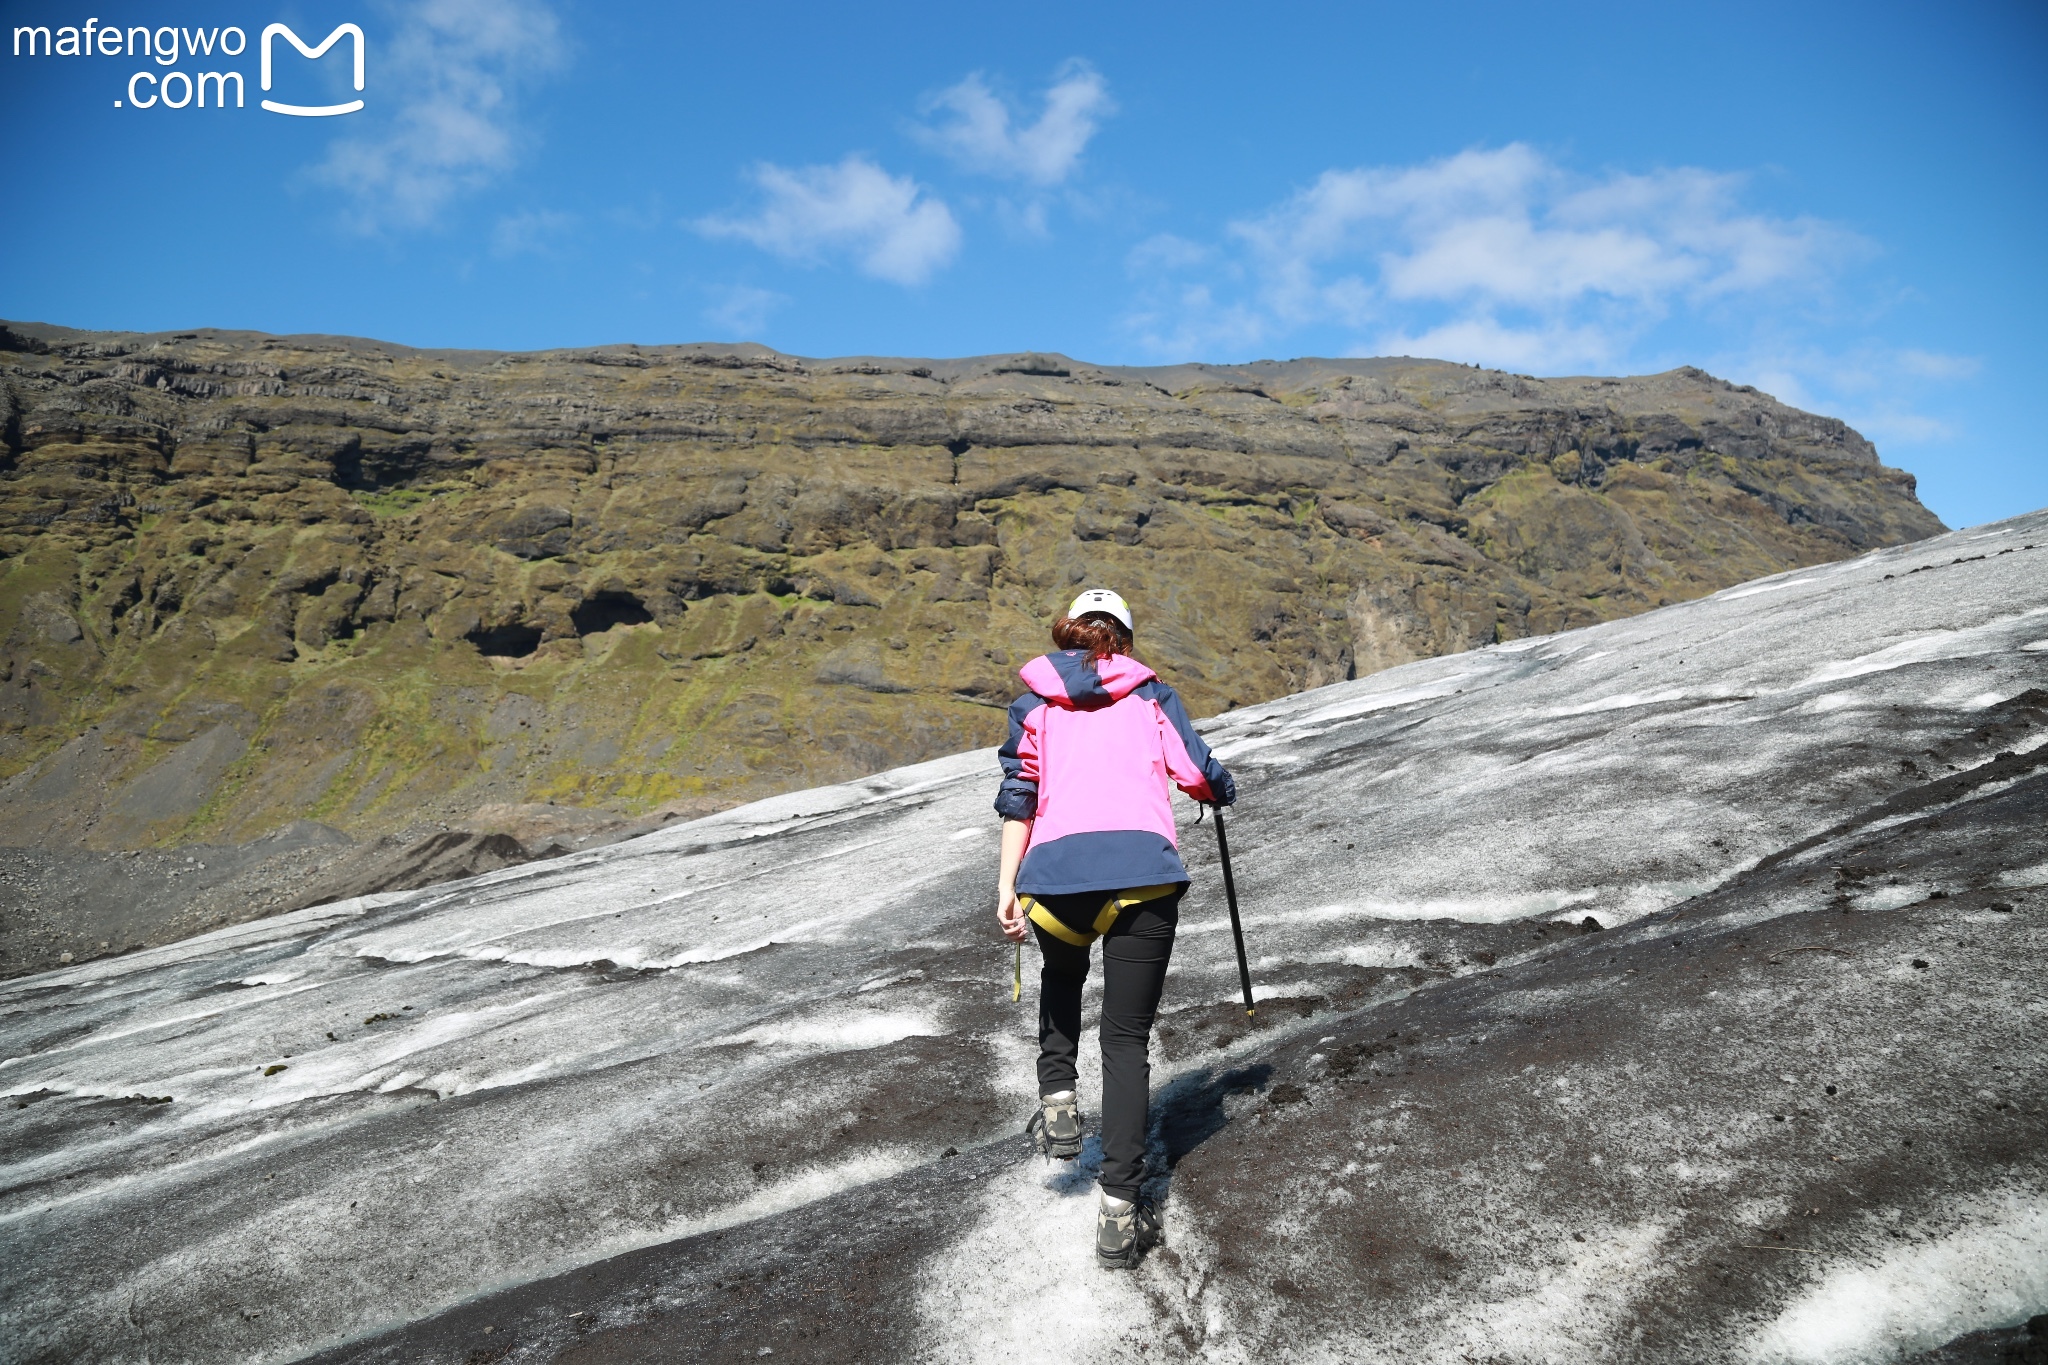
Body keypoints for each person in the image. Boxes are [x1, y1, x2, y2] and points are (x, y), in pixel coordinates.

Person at [994, 587, 1237, 1269]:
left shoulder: (1032, 702)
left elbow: (1021, 796)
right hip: (1142, 877)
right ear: (1122, 642)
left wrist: (1006, 887)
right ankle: (1119, 1210)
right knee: (1126, 1039)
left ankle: (1060, 1096)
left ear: (1071, 641)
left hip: (1057, 875)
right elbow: (1195, 771)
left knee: (1062, 973)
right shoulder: (1151, 694)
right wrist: (1221, 786)